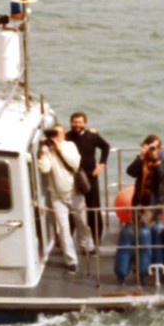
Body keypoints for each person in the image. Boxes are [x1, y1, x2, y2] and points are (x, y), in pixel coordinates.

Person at [37, 124, 92, 273]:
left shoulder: (70, 146)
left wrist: (59, 149)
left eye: (59, 133)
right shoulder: (48, 151)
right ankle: (71, 260)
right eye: (54, 134)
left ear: (64, 134)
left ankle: (87, 245)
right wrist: (43, 151)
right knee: (63, 229)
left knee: (82, 222)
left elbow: (75, 163)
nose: (57, 136)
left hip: (75, 193)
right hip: (57, 197)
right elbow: (44, 169)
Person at [65, 111, 110, 251]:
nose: (77, 125)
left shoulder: (92, 136)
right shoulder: (67, 137)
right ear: (71, 123)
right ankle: (70, 239)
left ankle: (97, 239)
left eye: (80, 122)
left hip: (91, 176)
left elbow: (106, 147)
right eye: (75, 122)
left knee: (93, 207)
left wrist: (101, 164)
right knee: (72, 209)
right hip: (73, 176)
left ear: (85, 123)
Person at [126, 134, 164, 222]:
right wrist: (141, 157)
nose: (153, 149)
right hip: (140, 200)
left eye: (156, 147)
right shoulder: (143, 159)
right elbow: (130, 172)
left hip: (156, 201)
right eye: (151, 147)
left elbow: (162, 177)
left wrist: (155, 160)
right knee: (139, 228)